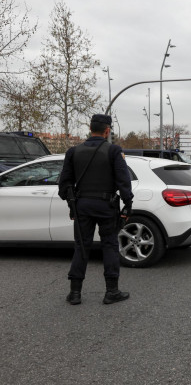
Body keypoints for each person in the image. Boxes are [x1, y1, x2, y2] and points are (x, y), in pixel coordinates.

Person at [58, 114, 133, 305]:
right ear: (107, 130)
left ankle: (75, 293)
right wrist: (128, 203)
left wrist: (72, 202)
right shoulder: (114, 150)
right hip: (107, 206)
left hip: (82, 205)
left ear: (90, 128)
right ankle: (112, 291)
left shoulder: (73, 152)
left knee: (81, 247)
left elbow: (64, 185)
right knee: (109, 246)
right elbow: (123, 180)